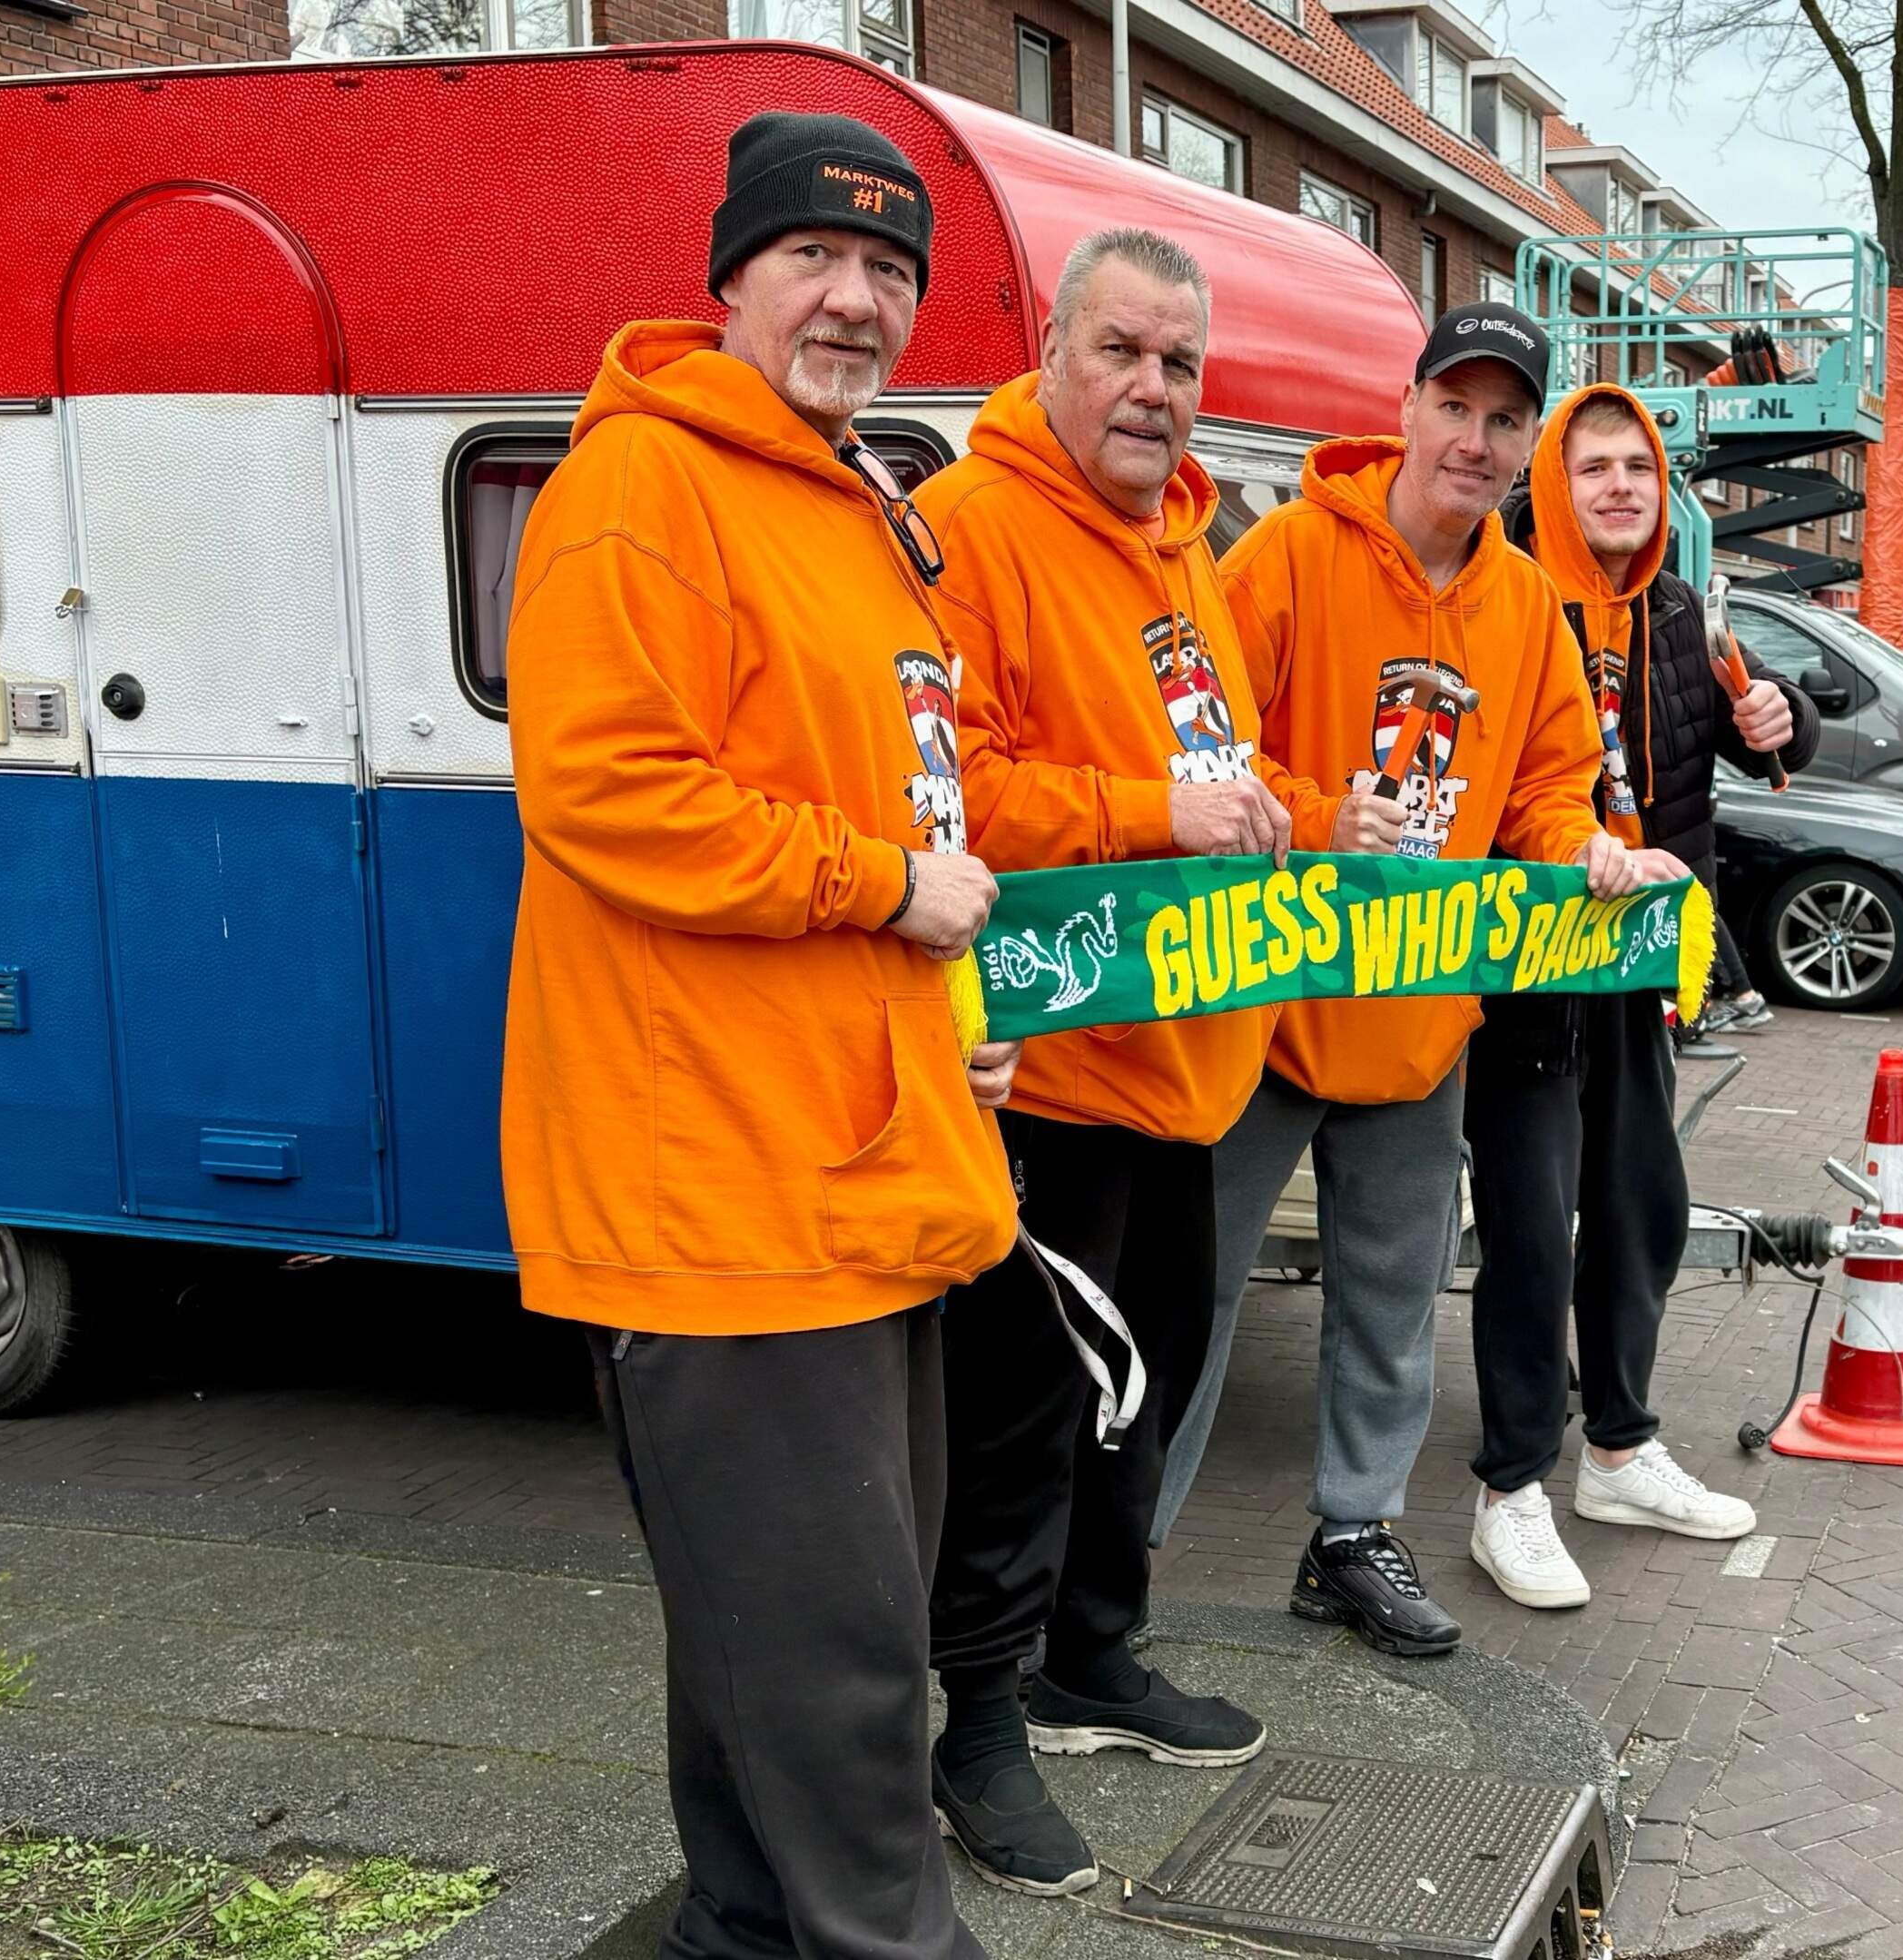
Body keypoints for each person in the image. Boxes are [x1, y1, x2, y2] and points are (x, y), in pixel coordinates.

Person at [500, 110, 1014, 1960]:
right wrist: (885, 891)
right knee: (844, 1680)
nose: (856, 299)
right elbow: (608, 790)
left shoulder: (862, 509)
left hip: (863, 1164)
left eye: (892, 270)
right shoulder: (644, 488)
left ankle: (743, 1935)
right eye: (816, 256)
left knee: (766, 1657)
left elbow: (904, 802)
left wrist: (938, 998)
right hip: (723, 1194)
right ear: (732, 275)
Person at [912, 226, 1390, 1897]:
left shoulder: (1189, 543)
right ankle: (973, 1720)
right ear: (1054, 349)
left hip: (1186, 1061)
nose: (1152, 390)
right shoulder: (968, 530)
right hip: (1048, 1070)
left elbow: (1218, 759)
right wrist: (1152, 814)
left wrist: (1324, 812)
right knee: (1026, 1408)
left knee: (1155, 1381)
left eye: (1180, 365)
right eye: (1121, 352)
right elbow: (945, 785)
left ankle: (1088, 1656)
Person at [1154, 302, 1669, 1656]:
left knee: (1390, 1298)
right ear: (1410, 406)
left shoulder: (1526, 610)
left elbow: (1548, 790)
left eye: (1507, 421)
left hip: (1418, 1021)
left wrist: (1592, 855)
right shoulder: (1287, 555)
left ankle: (1353, 1535)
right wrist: (1318, 812)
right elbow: (1204, 741)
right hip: (1254, 1012)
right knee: (1188, 1297)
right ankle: (1119, 1554)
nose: (1479, 440)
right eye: (1459, 407)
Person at [1459, 381, 1819, 1610]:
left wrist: (1782, 715)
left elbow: (1768, 732)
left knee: (1638, 1211)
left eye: (1640, 469)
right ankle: (1510, 1488)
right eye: (1593, 465)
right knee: (1524, 1229)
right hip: (1523, 967)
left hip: (1640, 970)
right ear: (1550, 482)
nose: (1620, 486)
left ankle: (1618, 1450)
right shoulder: (1498, 599)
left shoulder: (1679, 612)